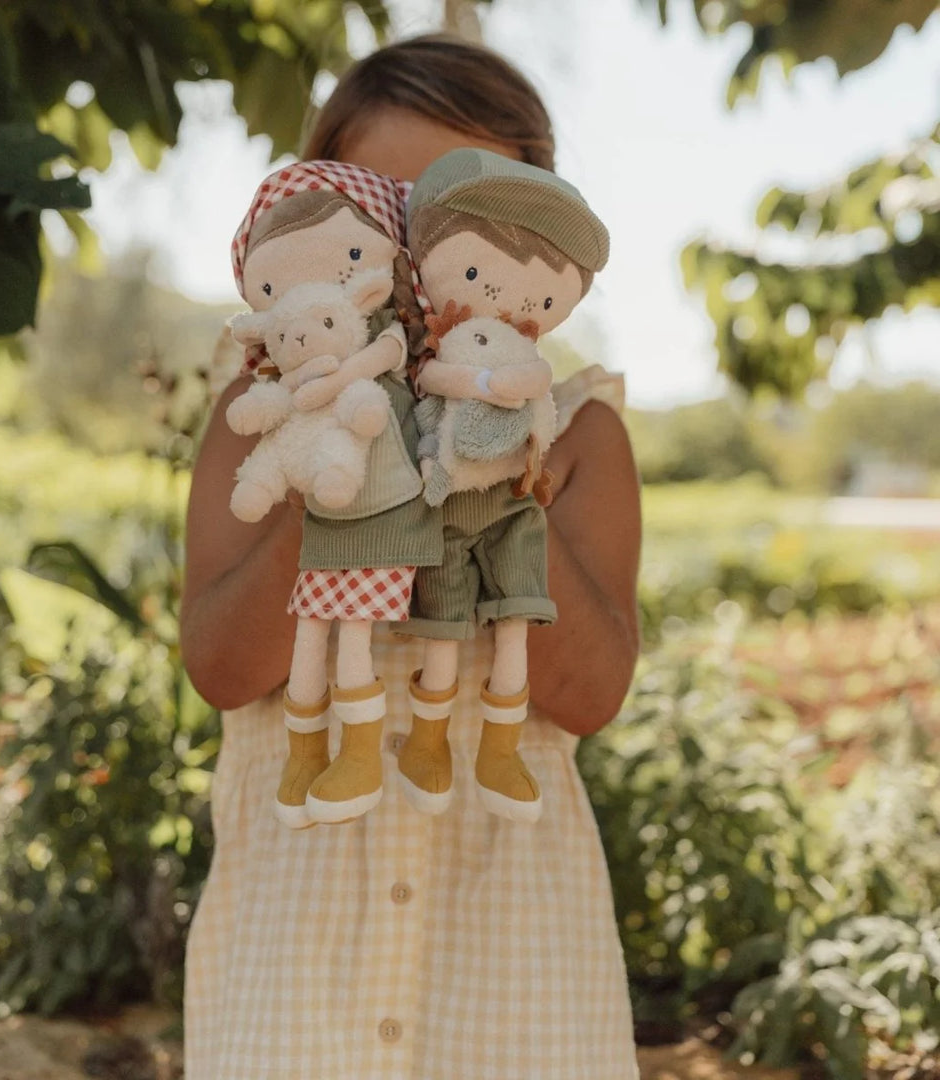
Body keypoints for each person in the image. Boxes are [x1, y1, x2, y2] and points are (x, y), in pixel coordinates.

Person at [181, 33, 642, 1080]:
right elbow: (221, 667)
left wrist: (500, 482)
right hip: (292, 954)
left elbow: (589, 694)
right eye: (382, 214)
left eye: (456, 216)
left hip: (514, 956)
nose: (415, 255)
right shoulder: (259, 418)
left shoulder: (578, 433)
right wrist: (342, 470)